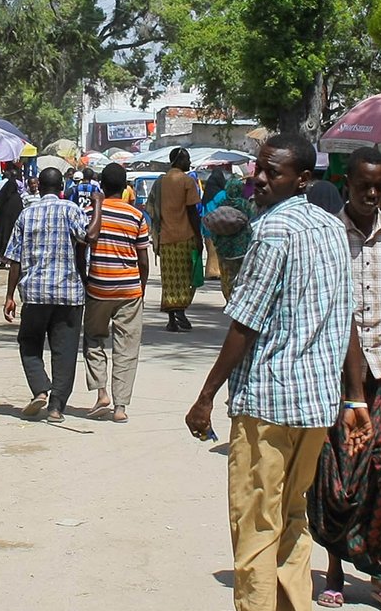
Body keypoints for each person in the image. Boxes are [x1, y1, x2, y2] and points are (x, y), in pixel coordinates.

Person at [184, 131, 365, 611]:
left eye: (274, 173)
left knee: (255, 533)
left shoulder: (274, 230)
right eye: (260, 169)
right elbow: (346, 319)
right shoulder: (333, 230)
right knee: (291, 523)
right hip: (315, 407)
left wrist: (206, 395)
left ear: (302, 179)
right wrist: (353, 395)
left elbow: (245, 323)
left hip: (268, 405)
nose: (260, 179)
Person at [315, 148, 381, 611]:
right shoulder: (329, 236)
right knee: (343, 478)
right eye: (364, 185)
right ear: (348, 184)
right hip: (338, 376)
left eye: (379, 186)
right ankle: (336, 567)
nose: (372, 193)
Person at [3, 166, 90, 422]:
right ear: (61, 187)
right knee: (65, 351)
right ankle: (56, 408)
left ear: (38, 187)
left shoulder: (26, 215)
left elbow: (14, 259)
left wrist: (10, 295)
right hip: (69, 293)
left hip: (35, 293)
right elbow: (87, 237)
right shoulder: (72, 210)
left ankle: (40, 388)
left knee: (29, 344)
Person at [81, 163, 151, 422]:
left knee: (93, 338)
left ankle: (101, 393)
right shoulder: (136, 216)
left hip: (98, 286)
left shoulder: (91, 211)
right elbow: (143, 258)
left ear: (102, 186)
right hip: (129, 288)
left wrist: (85, 279)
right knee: (127, 347)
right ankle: (120, 407)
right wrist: (141, 286)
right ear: (124, 189)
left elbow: (81, 246)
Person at [154, 148, 203, 332]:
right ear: (178, 160)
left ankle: (172, 319)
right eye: (187, 159)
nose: (189, 162)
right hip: (186, 236)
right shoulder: (187, 181)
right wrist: (199, 237)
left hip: (165, 238)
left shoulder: (160, 182)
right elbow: (192, 211)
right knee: (186, 278)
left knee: (169, 280)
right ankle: (180, 310)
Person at [201, 170, 255, 298]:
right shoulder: (245, 205)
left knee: (226, 275)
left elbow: (215, 222)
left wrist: (216, 240)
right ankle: (237, 299)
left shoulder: (222, 203)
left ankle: (228, 297)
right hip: (241, 248)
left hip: (224, 248)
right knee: (241, 275)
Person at [0, 166, 26, 267]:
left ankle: (2, 260)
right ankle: (10, 260)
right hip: (13, 228)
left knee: (3, 240)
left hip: (3, 226)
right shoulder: (18, 199)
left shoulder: (2, 198)